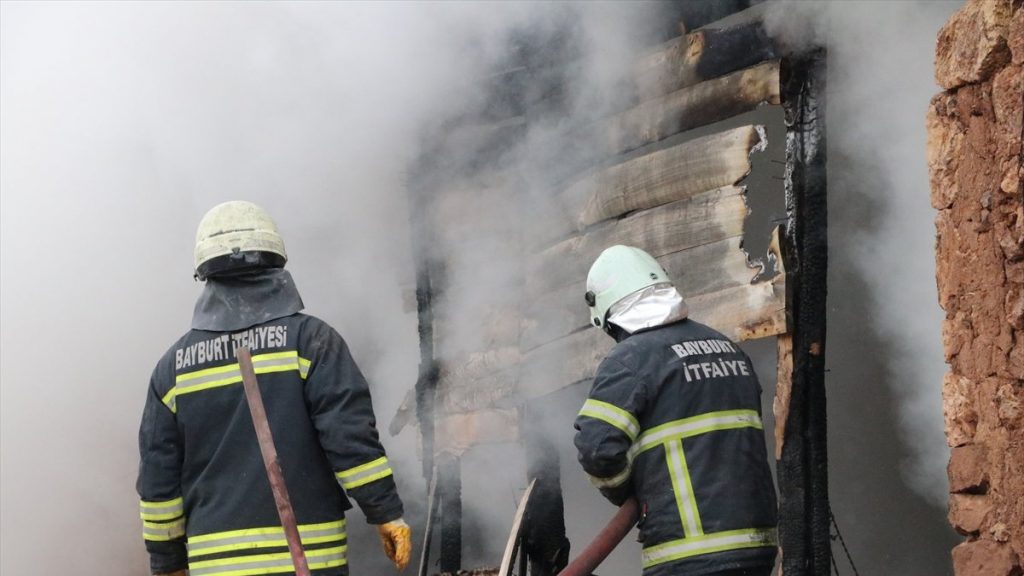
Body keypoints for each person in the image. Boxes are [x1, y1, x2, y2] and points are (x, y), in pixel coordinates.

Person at [137, 200, 411, 576]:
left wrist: (167, 563)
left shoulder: (172, 368)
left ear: (204, 273)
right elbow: (350, 441)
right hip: (311, 559)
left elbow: (158, 481)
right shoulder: (311, 341)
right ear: (276, 260)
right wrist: (385, 513)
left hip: (216, 566)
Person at [574, 245, 778, 576]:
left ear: (610, 316)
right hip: (756, 545)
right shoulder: (727, 349)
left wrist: (628, 494)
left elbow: (597, 449)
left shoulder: (631, 359)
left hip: (690, 553)